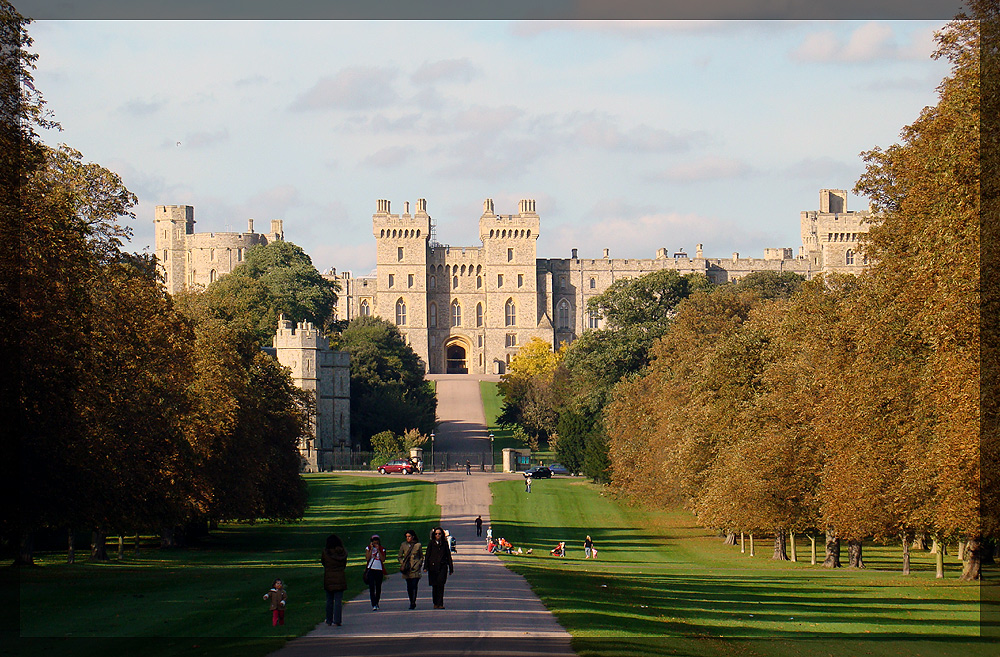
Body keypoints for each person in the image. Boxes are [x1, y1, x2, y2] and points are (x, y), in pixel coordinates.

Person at [424, 526, 454, 609]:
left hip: (442, 567)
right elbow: (427, 555)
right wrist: (425, 566)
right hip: (433, 567)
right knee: (435, 586)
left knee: (441, 585)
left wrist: (451, 568)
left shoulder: (444, 543)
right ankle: (435, 603)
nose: (438, 535)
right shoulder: (431, 543)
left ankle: (440, 603)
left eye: (439, 534)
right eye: (436, 534)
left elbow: (448, 556)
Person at [321, 534, 348, 626]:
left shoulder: (325, 552)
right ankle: (337, 620)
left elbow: (323, 562)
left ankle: (329, 619)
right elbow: (344, 564)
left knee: (329, 600)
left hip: (329, 577)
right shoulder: (342, 553)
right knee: (338, 600)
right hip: (340, 577)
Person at [398, 529, 423, 610]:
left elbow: (421, 557)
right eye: (407, 537)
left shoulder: (418, 545)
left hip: (415, 568)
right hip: (407, 569)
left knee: (414, 585)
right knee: (409, 586)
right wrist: (403, 563)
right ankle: (411, 600)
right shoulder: (403, 545)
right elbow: (399, 556)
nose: (408, 538)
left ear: (413, 536)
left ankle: (413, 602)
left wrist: (418, 564)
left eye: (409, 536)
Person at [365, 534, 387, 610]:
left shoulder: (382, 549)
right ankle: (373, 603)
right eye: (374, 540)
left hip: (379, 569)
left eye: (376, 540)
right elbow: (367, 558)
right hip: (371, 569)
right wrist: (371, 549)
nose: (375, 542)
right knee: (371, 587)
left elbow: (383, 559)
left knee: (378, 587)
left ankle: (377, 602)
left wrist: (378, 550)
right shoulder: (368, 548)